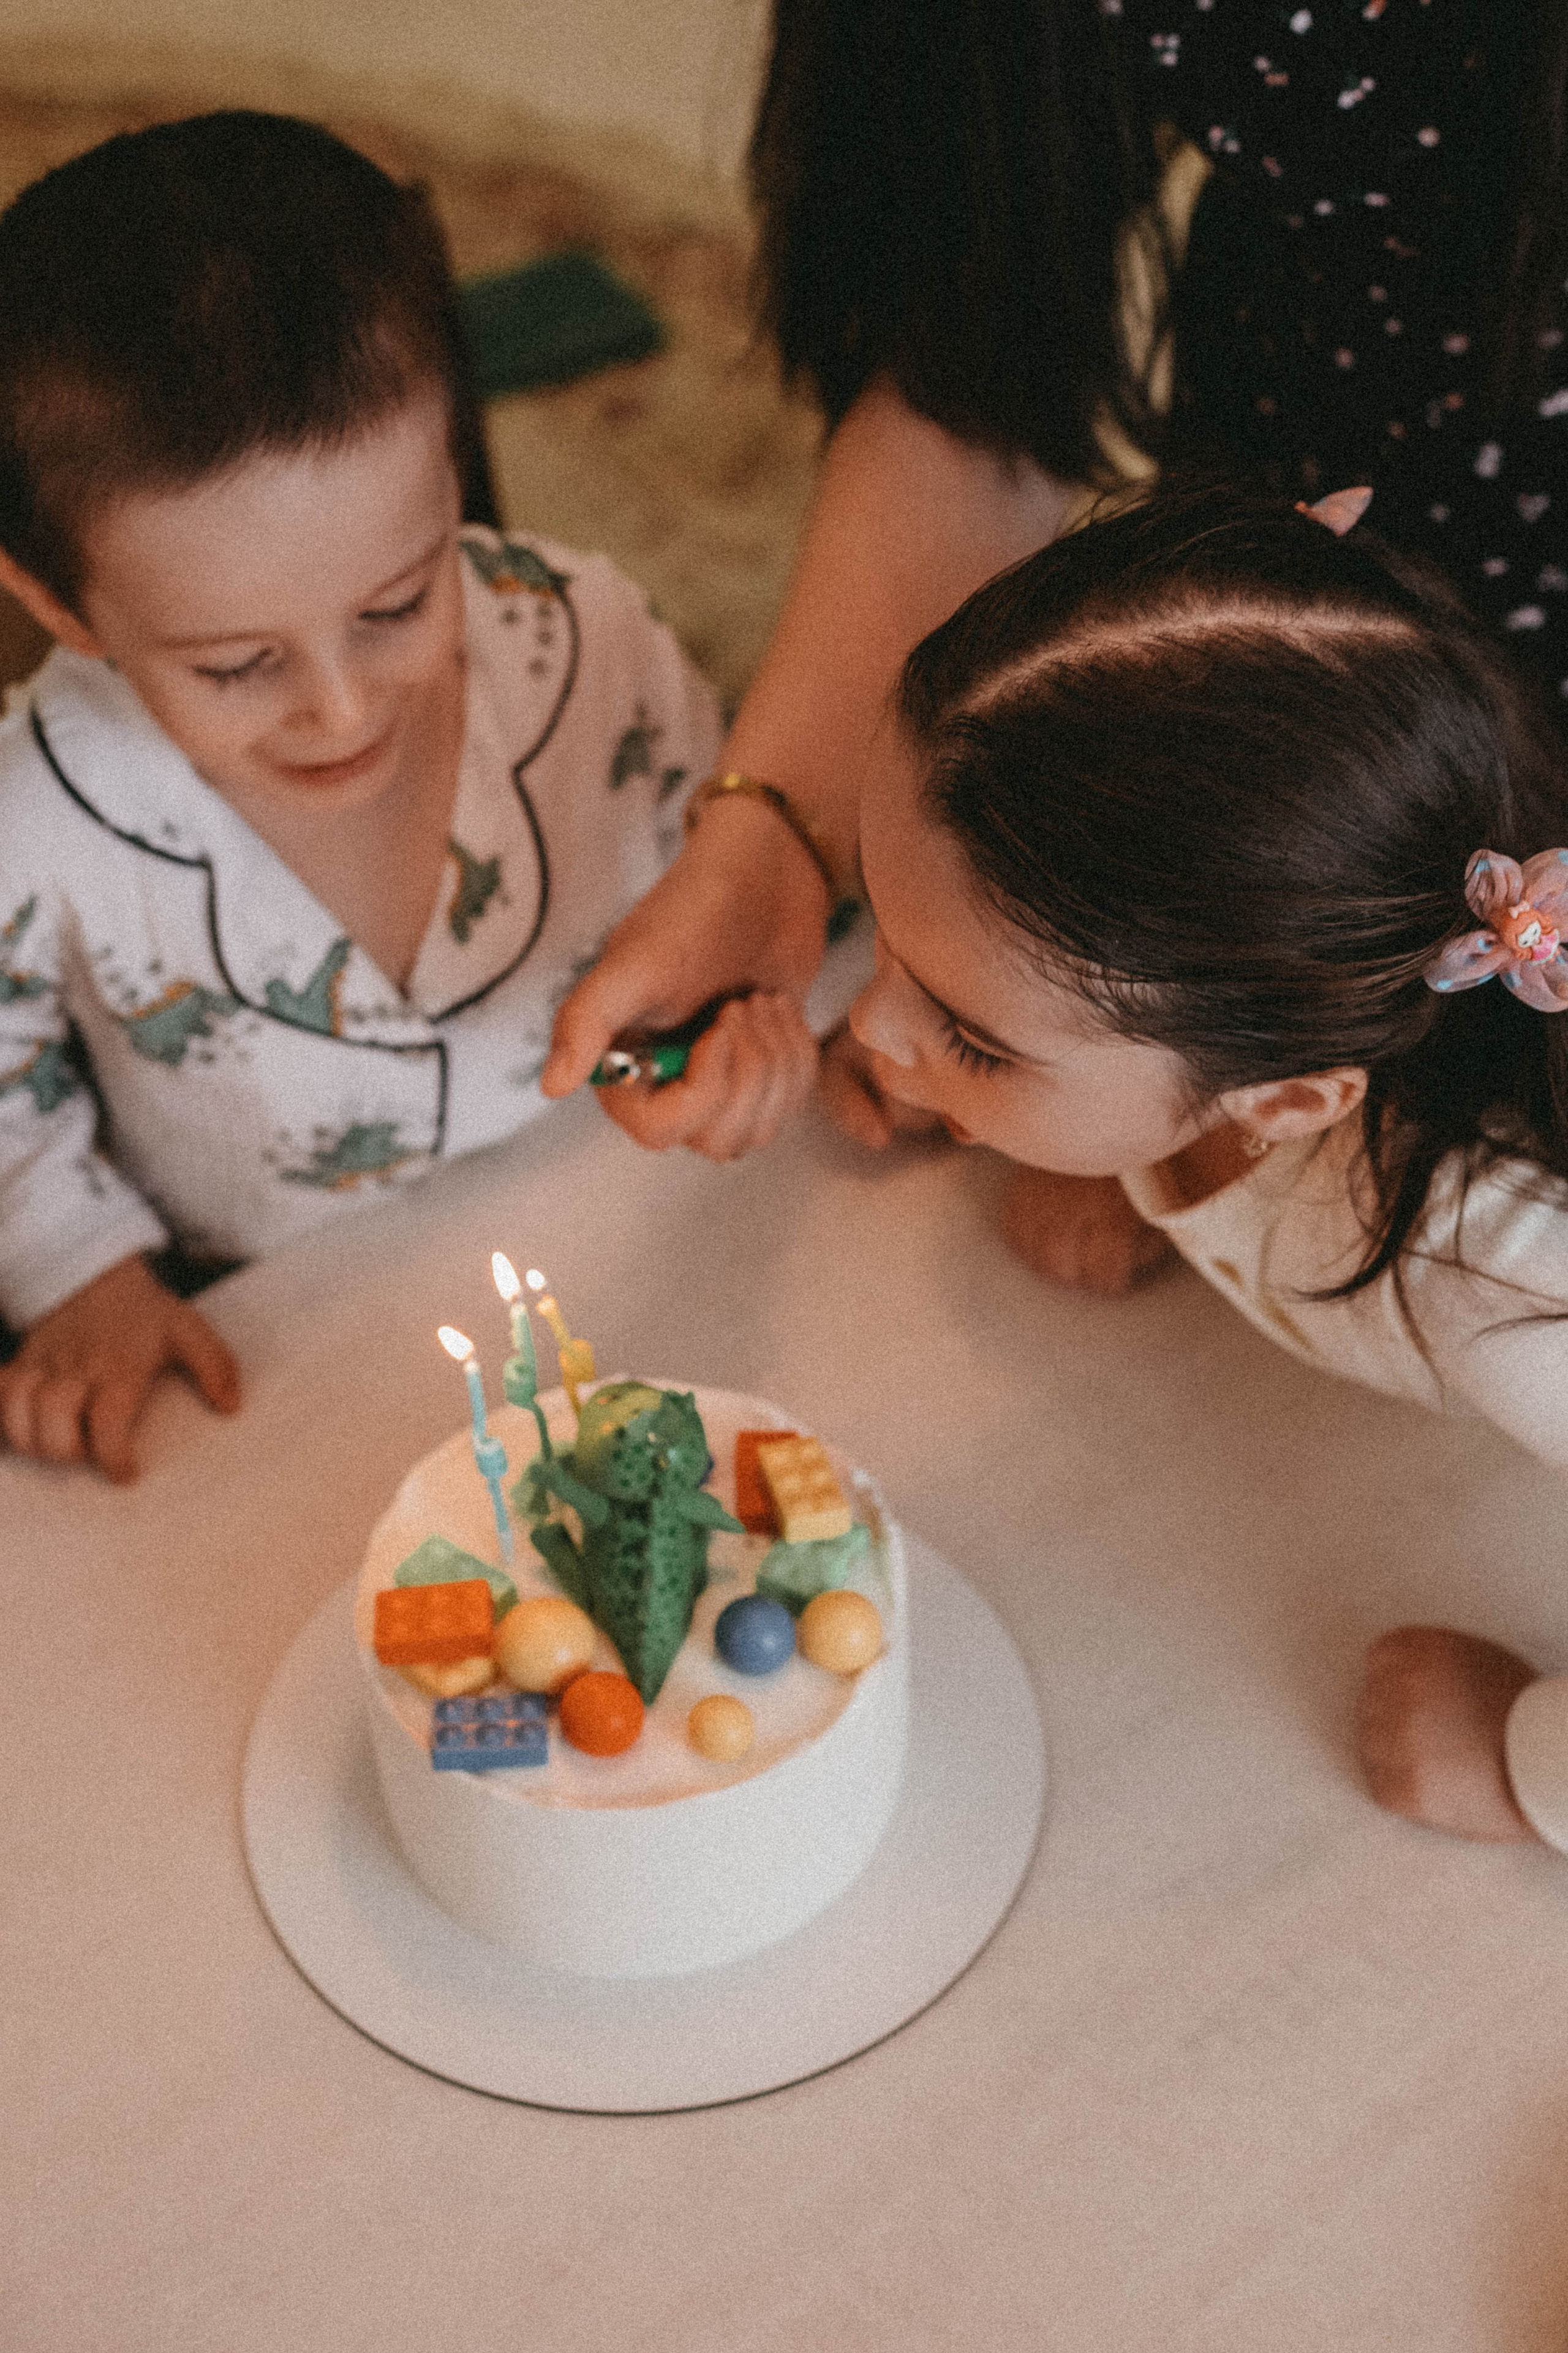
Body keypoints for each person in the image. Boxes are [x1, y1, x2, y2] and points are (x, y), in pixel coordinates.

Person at [543, 0, 1568, 1292]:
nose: (864, 1019)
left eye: (964, 1027)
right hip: (1299, 427)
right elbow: (977, 359)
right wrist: (773, 845)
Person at [0, 112, 813, 1482]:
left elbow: (718, 889)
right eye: (239, 662)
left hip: (630, 1230)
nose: (341, 704)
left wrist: (727, 1039)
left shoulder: (589, 636)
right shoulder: (33, 815)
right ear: (59, 607)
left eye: (396, 601)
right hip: (277, 1322)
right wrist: (78, 1267)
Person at [836, 479, 1568, 1850]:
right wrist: (1082, 1132)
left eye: (969, 1037)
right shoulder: (1269, 986)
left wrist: (1517, 1759)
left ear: (1288, 1099)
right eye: (881, 929)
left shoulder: (1492, 1273)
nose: (868, 1027)